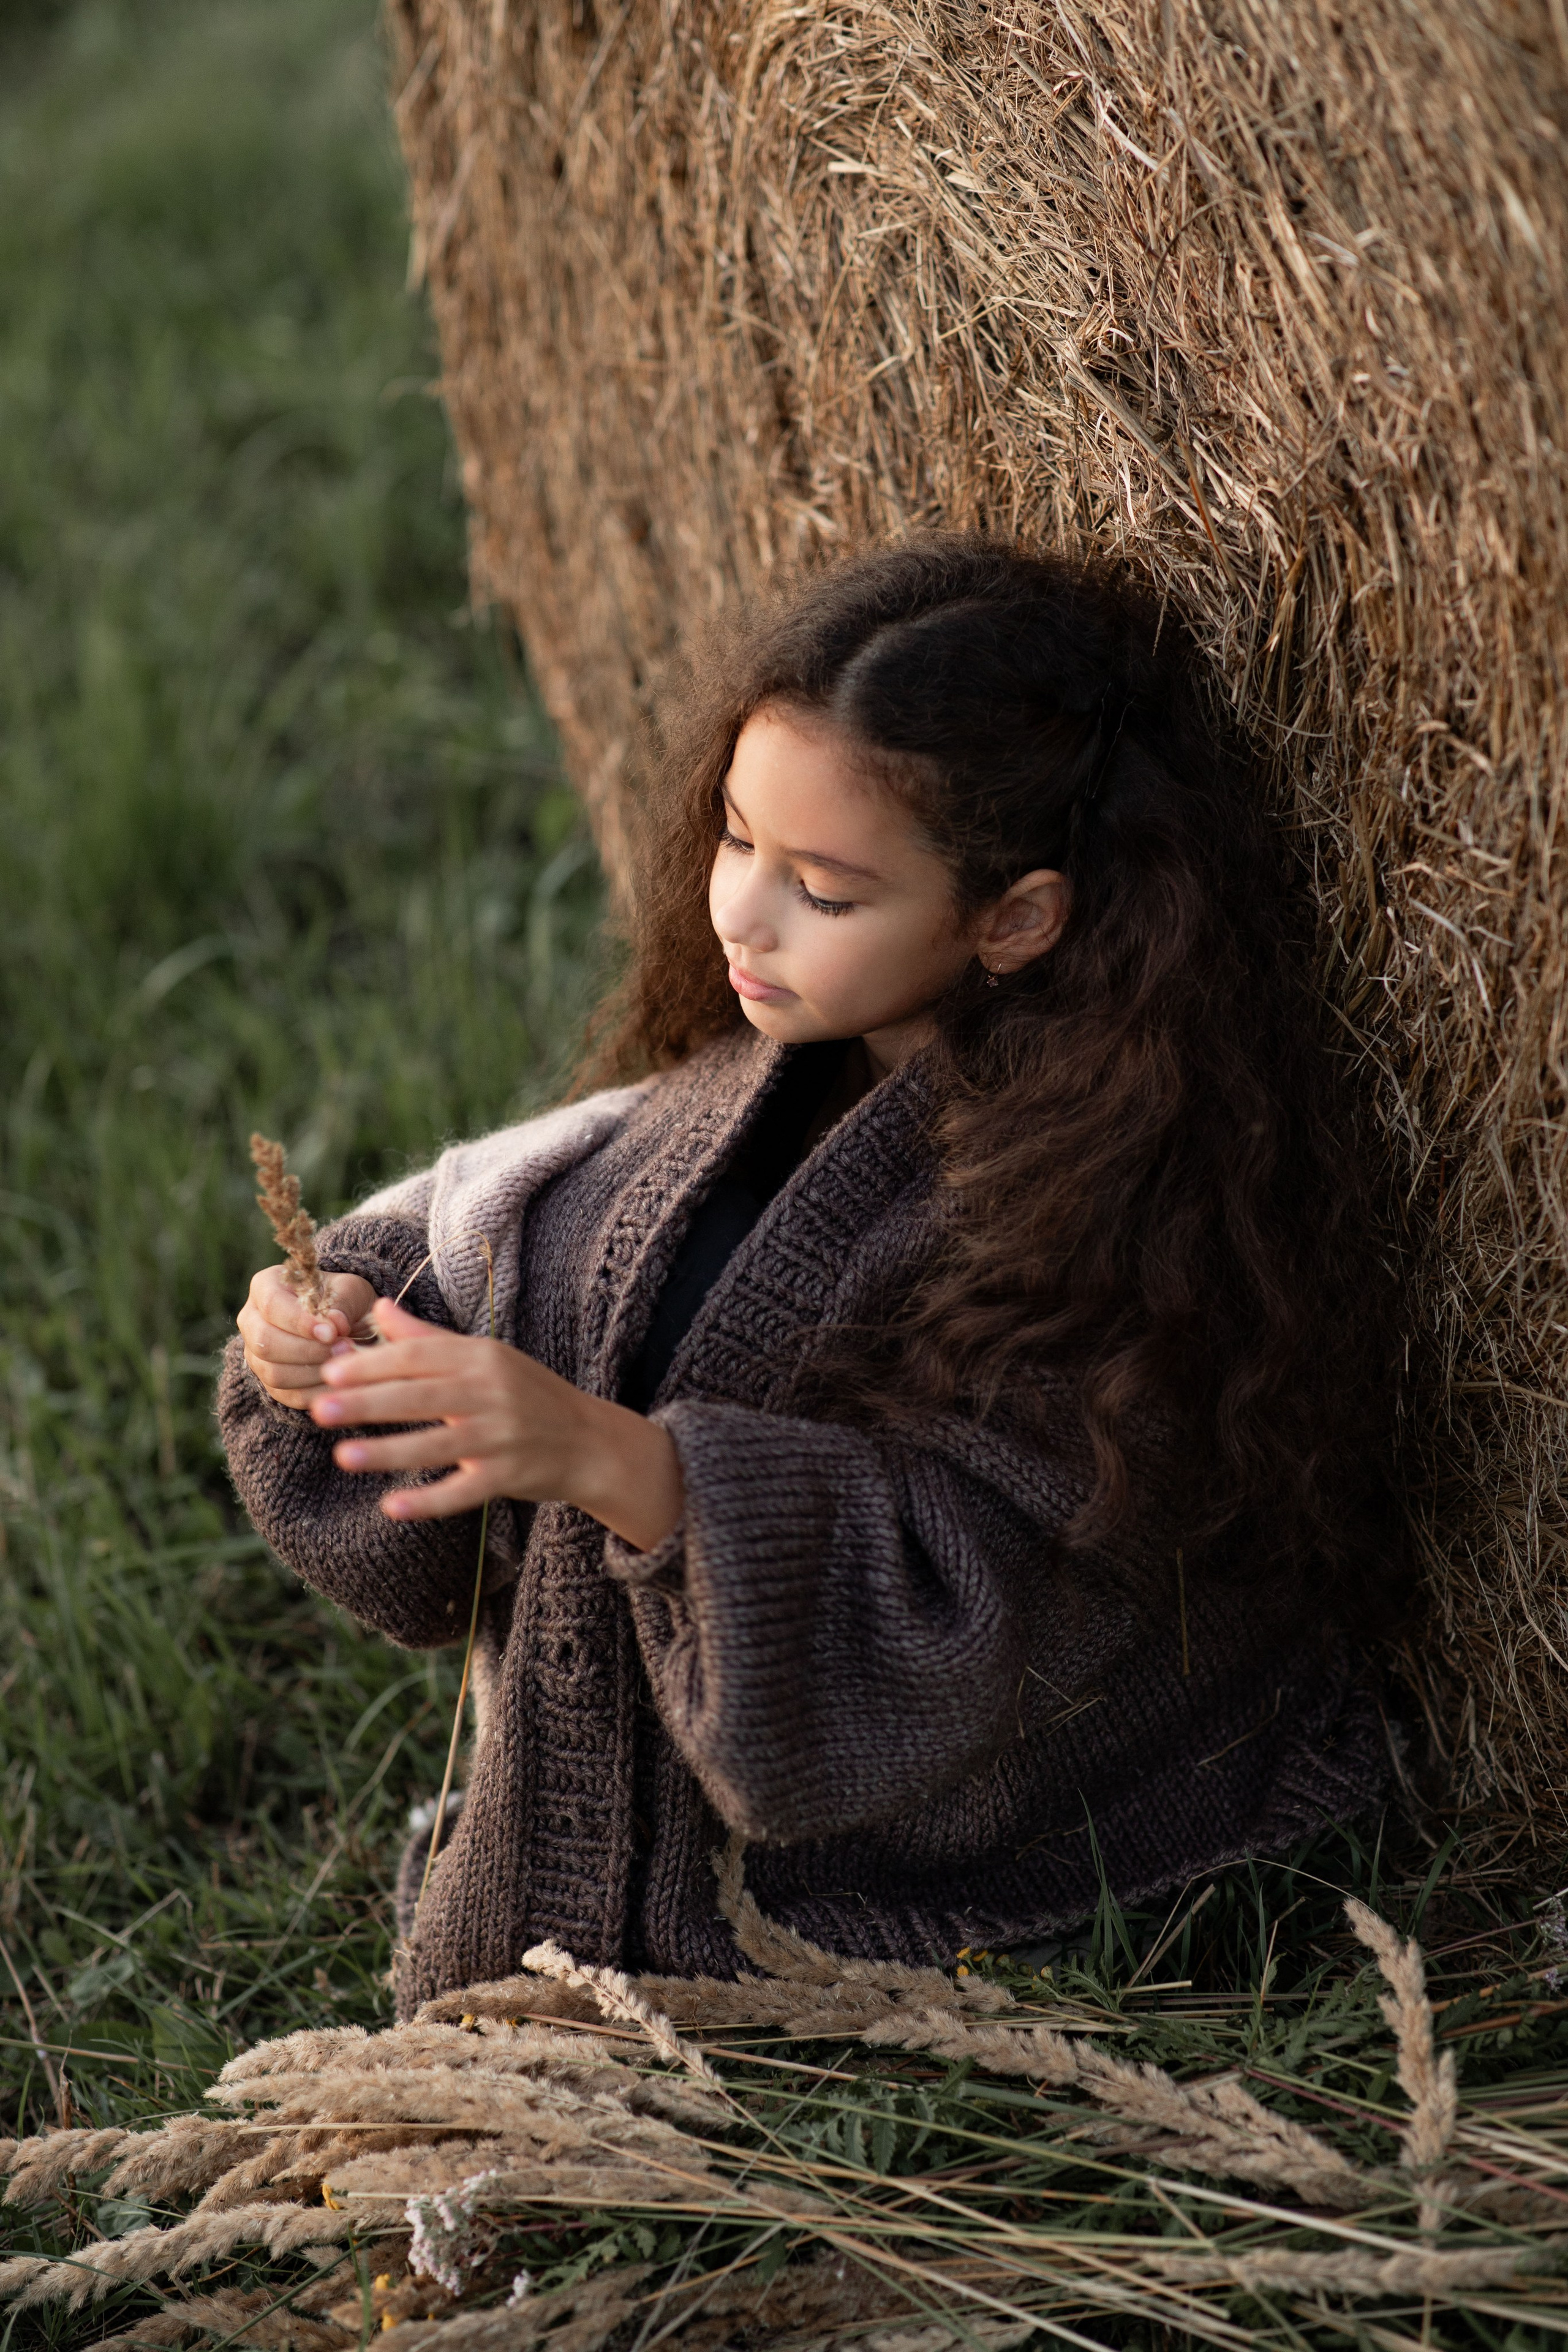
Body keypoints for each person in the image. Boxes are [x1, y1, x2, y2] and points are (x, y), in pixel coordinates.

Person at [220, 538, 1398, 2015]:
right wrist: (345, 1319)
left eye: (824, 892)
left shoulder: (1113, 1218)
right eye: (732, 841)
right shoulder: (767, 1074)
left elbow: (981, 1610)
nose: (739, 916)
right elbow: (541, 1216)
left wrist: (611, 1457)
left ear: (1016, 918)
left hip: (951, 1844)